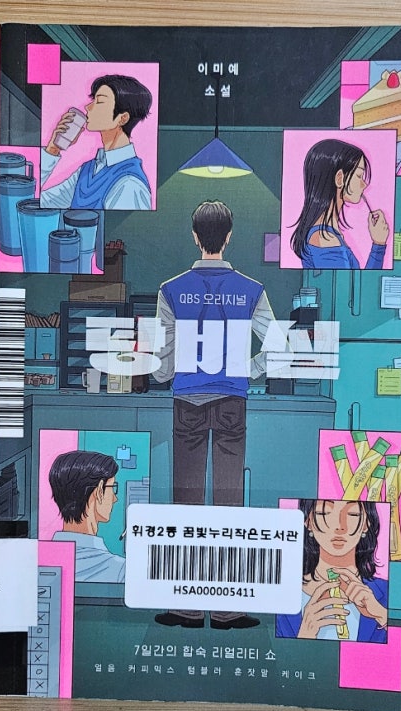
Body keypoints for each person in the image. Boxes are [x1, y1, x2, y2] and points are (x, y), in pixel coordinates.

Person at [152, 200, 277, 630]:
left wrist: (164, 374)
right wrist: (248, 369)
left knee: (185, 503)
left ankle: (186, 608)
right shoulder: (251, 289)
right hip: (231, 403)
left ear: (194, 236)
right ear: (228, 237)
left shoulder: (171, 290)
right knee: (229, 504)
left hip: (187, 401)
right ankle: (226, 610)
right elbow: (276, 346)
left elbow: (162, 364)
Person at [276, 499, 388, 641]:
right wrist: (305, 636)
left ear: (367, 523)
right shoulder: (281, 594)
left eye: (352, 514)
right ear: (308, 521)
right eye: (325, 513)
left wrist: (381, 615)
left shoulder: (387, 592)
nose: (339, 526)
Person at [40, 74, 152, 210]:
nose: (88, 107)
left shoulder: (129, 184)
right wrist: (53, 149)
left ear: (122, 118)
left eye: (99, 102)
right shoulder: (88, 170)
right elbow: (37, 202)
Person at [290, 139, 389, 270]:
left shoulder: (327, 235)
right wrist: (379, 245)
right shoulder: (326, 239)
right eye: (359, 176)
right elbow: (358, 284)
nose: (364, 184)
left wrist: (378, 242)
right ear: (339, 179)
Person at [49, 450, 125, 583]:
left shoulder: (38, 560)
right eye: (113, 487)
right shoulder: (120, 570)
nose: (115, 498)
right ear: (100, 490)